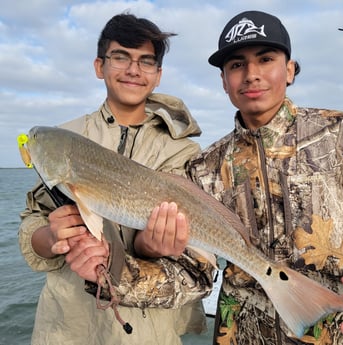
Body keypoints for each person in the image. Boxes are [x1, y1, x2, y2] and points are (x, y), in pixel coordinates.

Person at [186, 10, 343, 345]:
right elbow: (194, 268)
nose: (251, 74)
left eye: (266, 58)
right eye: (236, 64)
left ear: (289, 70)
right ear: (224, 80)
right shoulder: (202, 167)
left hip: (342, 331)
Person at [18, 13, 214, 345]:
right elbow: (31, 226)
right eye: (121, 57)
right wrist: (50, 235)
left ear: (158, 75)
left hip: (150, 333)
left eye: (146, 61)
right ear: (99, 66)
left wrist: (148, 246)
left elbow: (198, 260)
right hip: (68, 327)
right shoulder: (65, 137)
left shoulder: (185, 151)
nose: (133, 70)